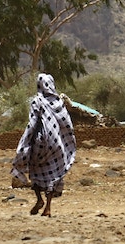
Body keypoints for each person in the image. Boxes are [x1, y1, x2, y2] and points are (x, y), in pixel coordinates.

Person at [11, 73, 77, 217]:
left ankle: (39, 199)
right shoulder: (59, 101)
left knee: (35, 169)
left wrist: (25, 141)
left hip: (41, 143)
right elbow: (67, 122)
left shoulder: (37, 101)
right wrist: (67, 141)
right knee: (53, 174)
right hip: (57, 144)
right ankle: (48, 207)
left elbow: (33, 123)